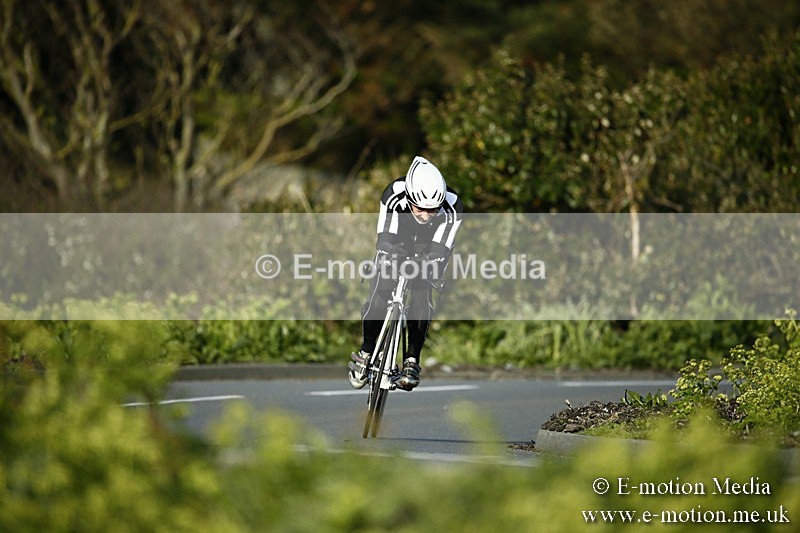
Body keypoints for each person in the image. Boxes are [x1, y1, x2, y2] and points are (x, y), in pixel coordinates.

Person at [348, 156, 463, 391]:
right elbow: (385, 239)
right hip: (398, 236)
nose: (426, 216)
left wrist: (426, 266)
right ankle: (367, 350)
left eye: (433, 210)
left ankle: (412, 359)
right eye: (421, 209)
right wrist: (390, 259)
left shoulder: (452, 206)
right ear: (410, 198)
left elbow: (441, 250)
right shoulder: (393, 194)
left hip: (430, 245)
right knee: (380, 291)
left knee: (422, 292)